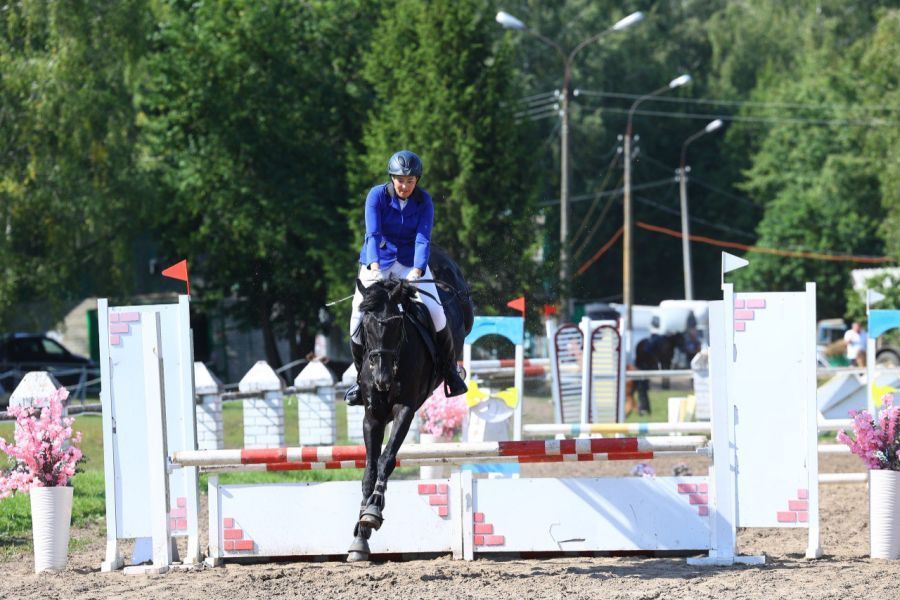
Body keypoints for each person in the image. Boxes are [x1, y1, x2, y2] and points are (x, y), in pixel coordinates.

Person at [344, 150, 468, 406]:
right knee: (357, 317)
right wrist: (375, 268)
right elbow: (373, 235)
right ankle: (359, 382)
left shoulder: (424, 201)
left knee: (436, 312)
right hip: (376, 261)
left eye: (410, 181)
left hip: (410, 264)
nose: (405, 186)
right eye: (401, 180)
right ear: (392, 178)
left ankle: (450, 373)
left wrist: (417, 271)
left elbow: (423, 239)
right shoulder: (376, 196)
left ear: (416, 181)